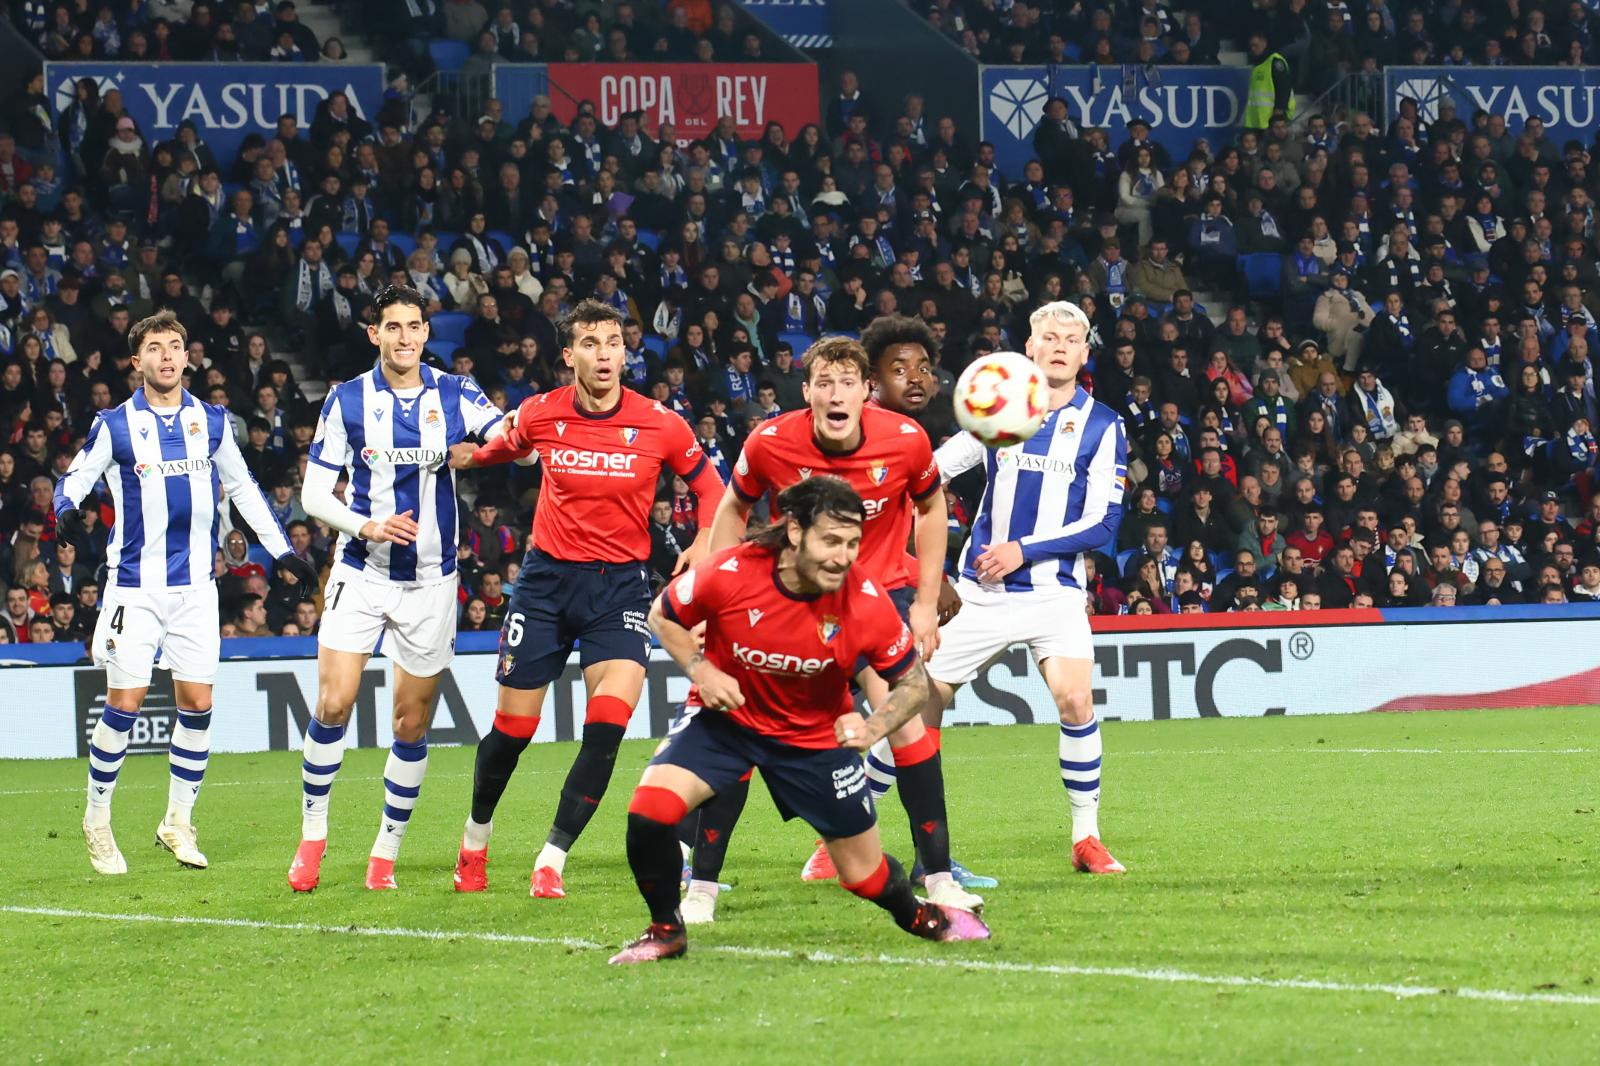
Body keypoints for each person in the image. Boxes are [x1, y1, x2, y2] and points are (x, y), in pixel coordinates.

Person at [610, 476, 989, 964]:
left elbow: (915, 685)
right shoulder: (728, 571)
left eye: (853, 543)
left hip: (815, 739)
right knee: (649, 812)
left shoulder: (865, 601)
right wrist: (701, 670)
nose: (843, 556)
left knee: (864, 877)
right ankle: (666, 929)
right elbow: (663, 615)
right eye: (831, 540)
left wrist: (872, 729)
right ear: (794, 531)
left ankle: (918, 915)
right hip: (727, 723)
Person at [679, 333, 966, 924]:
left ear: (868, 392)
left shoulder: (906, 441)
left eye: (848, 384)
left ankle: (937, 877)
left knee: (911, 723)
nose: (837, 395)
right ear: (806, 391)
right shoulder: (770, 441)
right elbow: (733, 508)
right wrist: (719, 596)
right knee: (739, 728)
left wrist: (925, 598)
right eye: (824, 384)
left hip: (879, 602)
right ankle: (701, 889)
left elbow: (932, 507)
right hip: (794, 604)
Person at [450, 299, 727, 898]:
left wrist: (704, 542)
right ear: (569, 354)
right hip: (545, 586)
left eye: (614, 342)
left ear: (626, 352)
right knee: (512, 733)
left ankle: (552, 856)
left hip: (620, 588)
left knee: (607, 727)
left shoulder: (662, 422)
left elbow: (712, 489)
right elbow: (497, 449)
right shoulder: (541, 413)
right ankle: (475, 840)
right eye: (590, 343)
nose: (605, 354)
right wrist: (458, 456)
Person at [54, 309, 313, 876]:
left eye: (175, 346)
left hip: (197, 590)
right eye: (155, 348)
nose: (167, 356)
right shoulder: (116, 424)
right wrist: (67, 511)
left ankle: (177, 821)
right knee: (125, 704)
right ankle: (97, 821)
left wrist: (284, 553)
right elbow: (71, 481)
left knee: (198, 705)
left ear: (187, 356)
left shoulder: (213, 421)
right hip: (134, 590)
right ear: (137, 360)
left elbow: (244, 489)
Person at [287, 285, 505, 892]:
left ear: (427, 335)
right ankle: (312, 837)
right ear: (374, 334)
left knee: (411, 725)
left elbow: (509, 437)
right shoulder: (347, 399)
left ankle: (384, 853)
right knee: (333, 704)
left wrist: (479, 453)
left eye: (415, 326)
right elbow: (312, 495)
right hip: (361, 573)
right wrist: (367, 525)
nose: (405, 337)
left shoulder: (456, 392)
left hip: (432, 584)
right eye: (393, 327)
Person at [921, 300, 1129, 875]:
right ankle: (841, 839)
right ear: (1029, 348)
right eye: (1049, 335)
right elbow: (934, 470)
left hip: (1053, 594)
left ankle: (1086, 837)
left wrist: (1024, 550)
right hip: (978, 594)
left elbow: (1104, 525)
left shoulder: (1104, 425)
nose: (1060, 344)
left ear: (1085, 353)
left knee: (1075, 699)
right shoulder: (1003, 410)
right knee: (915, 708)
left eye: (1072, 337)